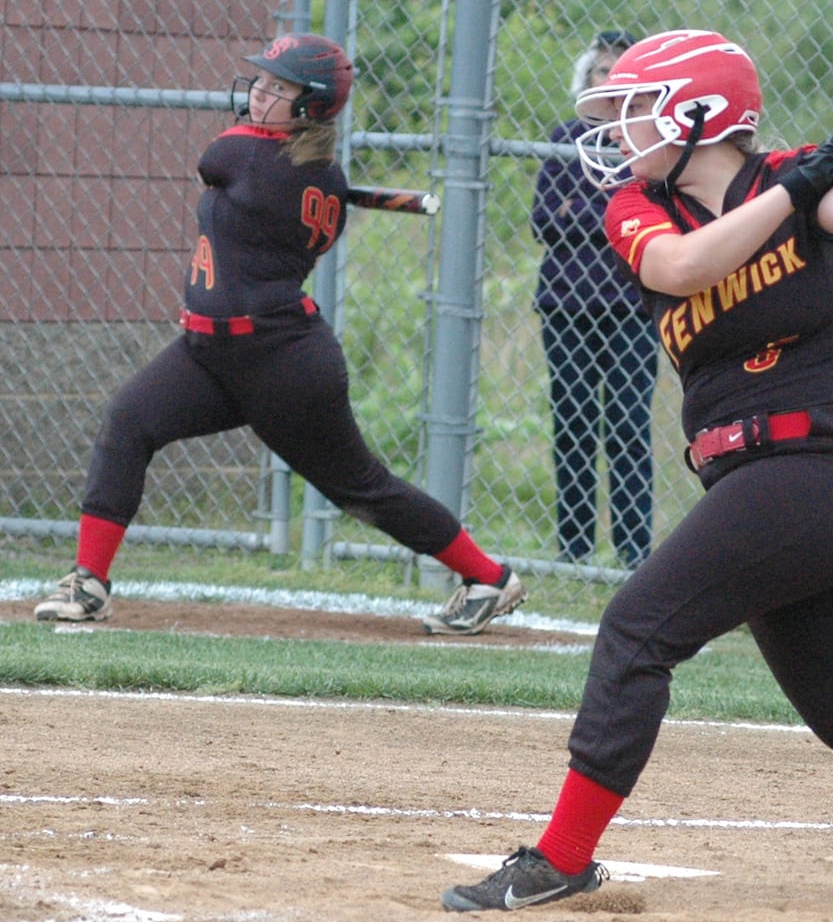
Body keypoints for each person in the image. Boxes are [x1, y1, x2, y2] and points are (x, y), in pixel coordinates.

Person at [439, 25, 833, 921]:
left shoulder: (791, 177)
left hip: (823, 469)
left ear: (698, 113)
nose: (620, 133)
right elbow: (685, 265)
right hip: (763, 488)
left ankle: (561, 857)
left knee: (635, 629)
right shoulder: (644, 210)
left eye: (636, 111)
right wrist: (791, 189)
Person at [28, 35, 525, 636]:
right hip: (209, 352)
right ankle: (90, 582)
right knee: (129, 421)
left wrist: (274, 150)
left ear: (312, 106)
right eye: (261, 82)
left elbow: (212, 160)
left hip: (281, 362)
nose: (258, 93)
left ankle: (489, 578)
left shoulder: (252, 158)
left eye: (277, 88)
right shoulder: (317, 174)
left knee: (362, 487)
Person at [530, 28, 659, 567]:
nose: (610, 81)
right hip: (566, 304)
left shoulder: (651, 145)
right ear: (587, 80)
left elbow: (653, 220)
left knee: (630, 425)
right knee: (575, 422)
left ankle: (633, 549)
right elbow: (543, 221)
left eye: (621, 72)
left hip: (633, 307)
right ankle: (574, 547)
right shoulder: (565, 137)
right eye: (602, 71)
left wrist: (580, 215)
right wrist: (614, 215)